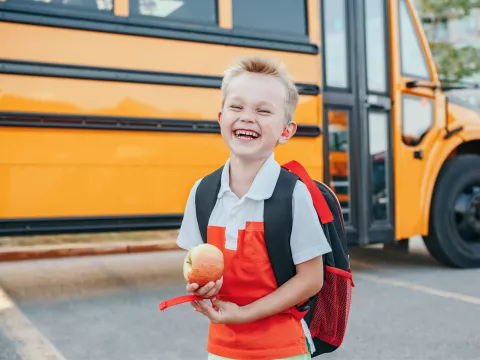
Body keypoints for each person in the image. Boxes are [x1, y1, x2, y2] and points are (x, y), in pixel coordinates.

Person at [176, 56, 332, 360]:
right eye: (237, 107)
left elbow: (312, 279)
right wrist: (203, 285)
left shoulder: (294, 194)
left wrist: (244, 314)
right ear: (221, 118)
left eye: (263, 110)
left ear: (286, 131)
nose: (247, 117)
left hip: (283, 349)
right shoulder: (203, 192)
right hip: (222, 349)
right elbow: (195, 262)